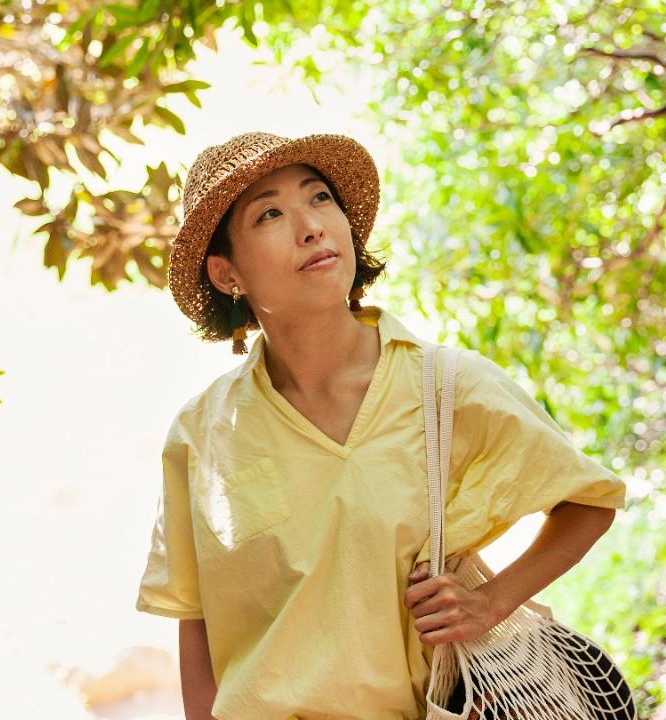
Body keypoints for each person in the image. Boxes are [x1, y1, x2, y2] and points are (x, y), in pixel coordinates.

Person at [135, 130, 628, 719]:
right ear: (226, 274)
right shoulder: (201, 435)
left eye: (319, 198)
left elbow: (588, 501)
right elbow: (198, 622)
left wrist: (489, 603)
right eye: (270, 213)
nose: (312, 226)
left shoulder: (445, 386)